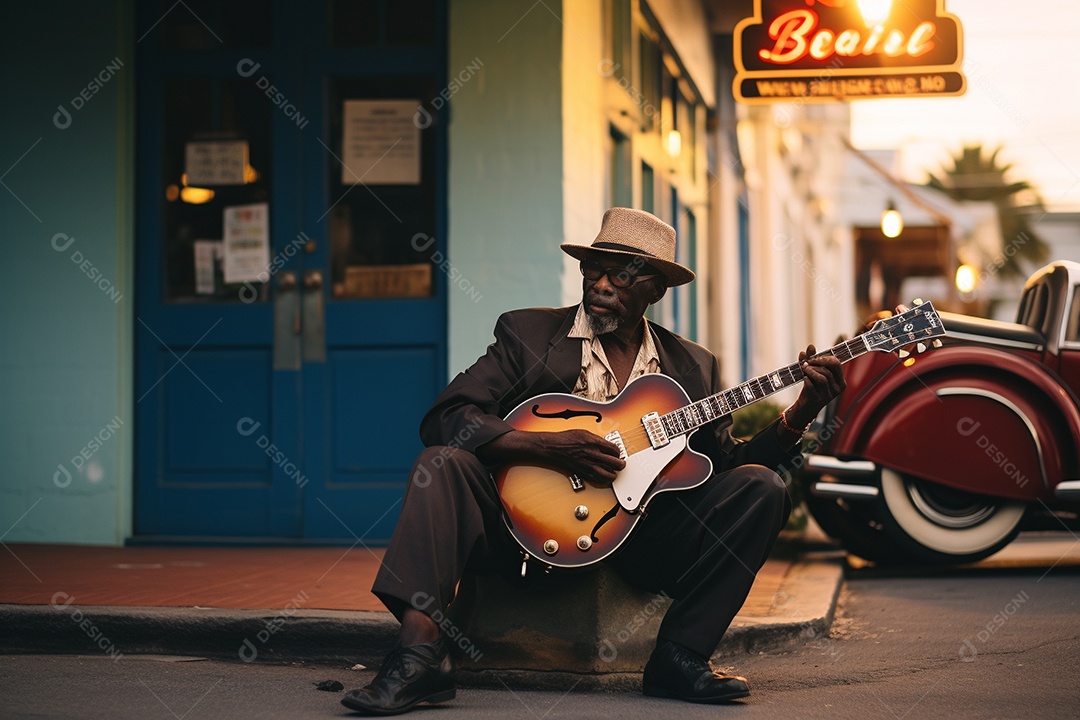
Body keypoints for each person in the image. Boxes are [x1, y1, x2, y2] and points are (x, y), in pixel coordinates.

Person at [341, 207, 845, 714]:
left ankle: (680, 657)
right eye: (593, 270)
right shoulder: (528, 335)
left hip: (644, 539)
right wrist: (546, 448)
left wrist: (799, 414)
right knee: (441, 463)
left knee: (762, 487)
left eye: (621, 274)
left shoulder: (692, 365)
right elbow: (448, 415)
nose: (601, 283)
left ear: (656, 288)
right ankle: (420, 655)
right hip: (520, 526)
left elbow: (726, 466)